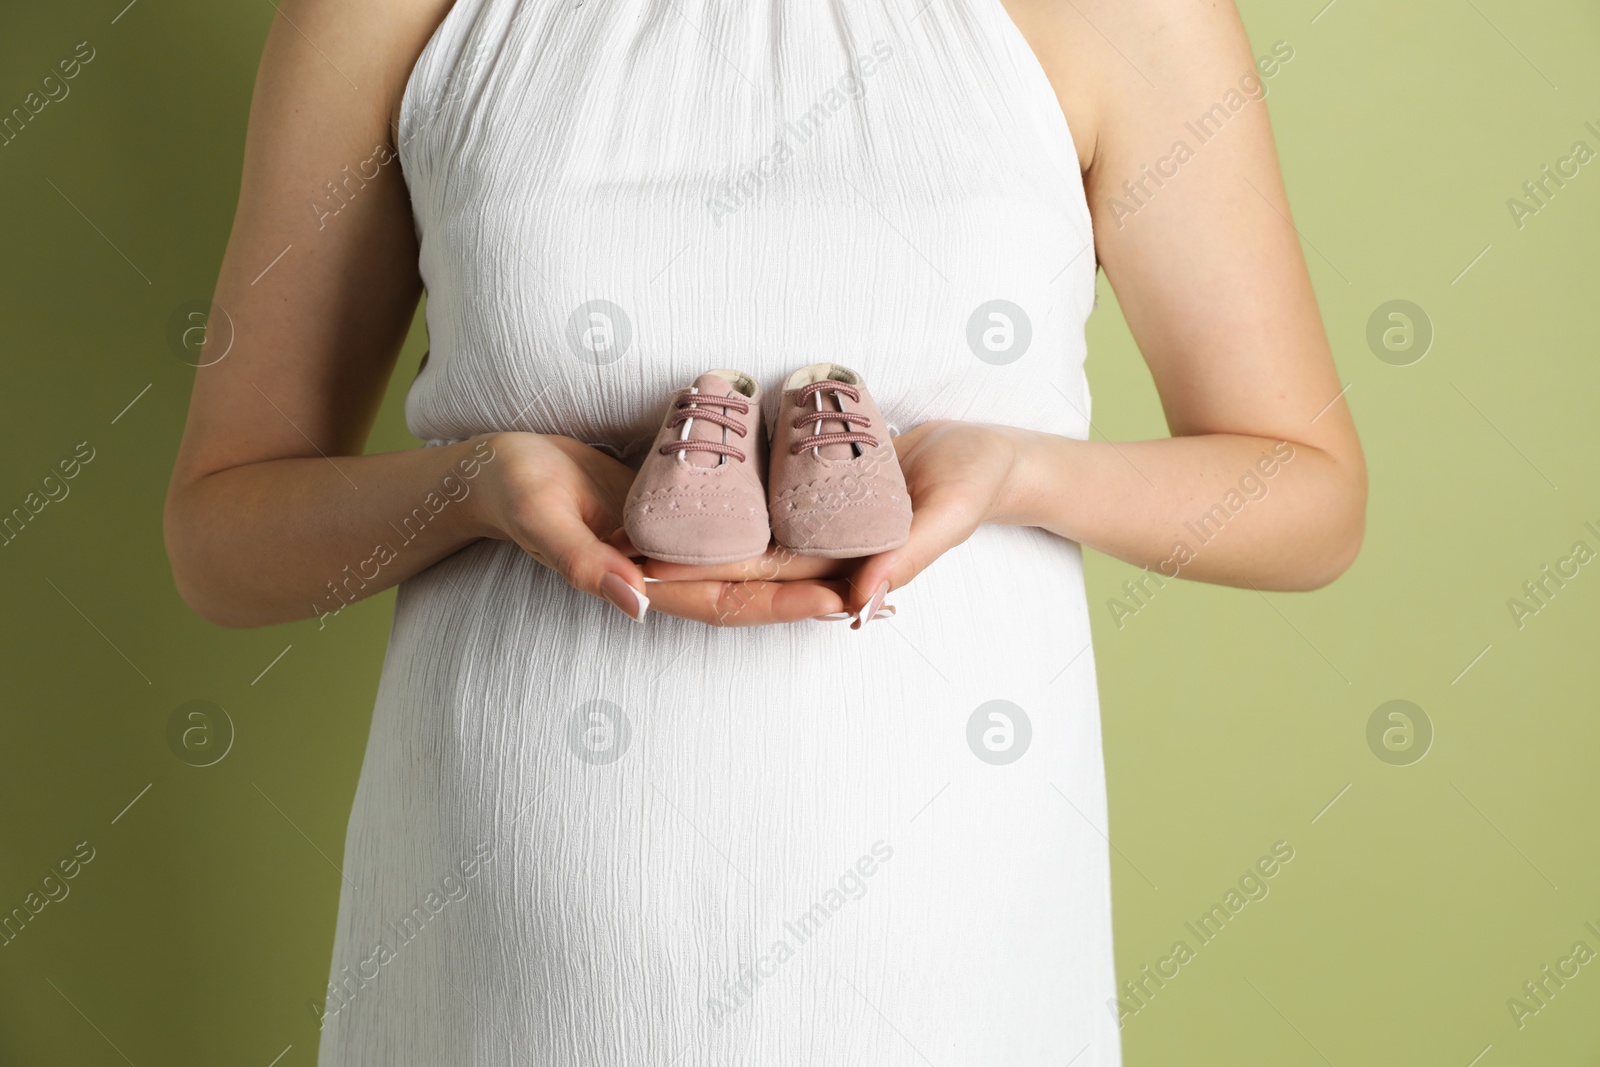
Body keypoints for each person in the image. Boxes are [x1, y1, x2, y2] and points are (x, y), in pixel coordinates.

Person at [163, 0, 1365, 1062]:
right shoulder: (389, 14)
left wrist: (1012, 471)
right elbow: (222, 533)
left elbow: (1308, 498)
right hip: (503, 956)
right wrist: (477, 483)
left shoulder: (1120, 13)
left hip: (950, 951)